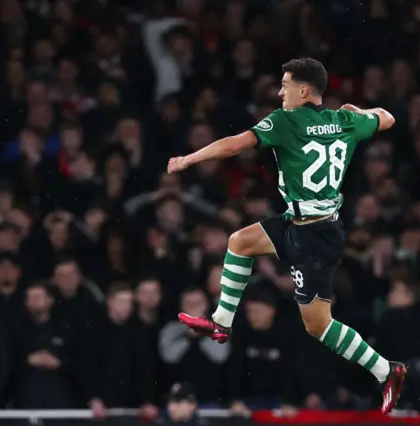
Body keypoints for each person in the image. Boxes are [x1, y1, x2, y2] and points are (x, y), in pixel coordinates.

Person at [167, 58, 406, 414]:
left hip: (315, 238)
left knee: (318, 326)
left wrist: (189, 159)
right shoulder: (345, 120)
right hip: (299, 222)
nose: (280, 92)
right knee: (239, 242)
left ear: (304, 90)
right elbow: (388, 117)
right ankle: (222, 322)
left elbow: (235, 144)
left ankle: (387, 370)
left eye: (285, 84)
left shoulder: (285, 121)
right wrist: (360, 109)